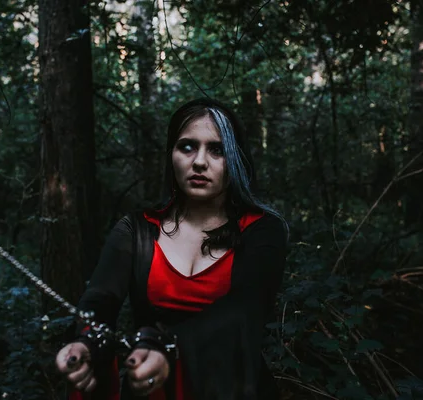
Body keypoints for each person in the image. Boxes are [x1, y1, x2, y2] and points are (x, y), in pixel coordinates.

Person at [55, 98, 288, 400]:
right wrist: (85, 343)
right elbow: (101, 298)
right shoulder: (136, 230)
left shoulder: (262, 229)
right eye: (187, 147)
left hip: (233, 390)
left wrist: (167, 346)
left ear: (235, 159)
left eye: (216, 149)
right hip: (149, 388)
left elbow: (244, 311)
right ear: (171, 155)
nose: (200, 161)